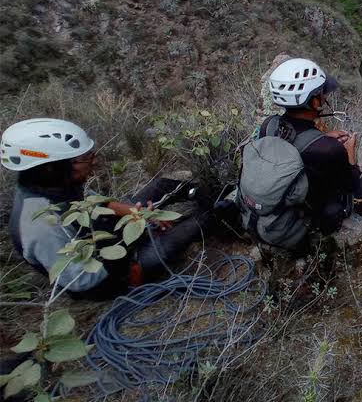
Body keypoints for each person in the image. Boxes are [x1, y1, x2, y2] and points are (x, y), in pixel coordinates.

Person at [2, 118, 218, 300]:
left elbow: (92, 204)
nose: (92, 163)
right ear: (51, 166)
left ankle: (208, 195)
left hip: (103, 236)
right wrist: (132, 266)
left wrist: (135, 213)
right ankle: (222, 213)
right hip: (112, 274)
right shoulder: (40, 227)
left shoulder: (50, 183)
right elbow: (82, 282)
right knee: (195, 225)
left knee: (161, 186)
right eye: (84, 159)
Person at [258, 57, 362, 237]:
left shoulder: (269, 125)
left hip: (279, 205)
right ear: (315, 102)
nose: (325, 96)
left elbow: (297, 144)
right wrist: (349, 154)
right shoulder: (328, 149)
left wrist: (320, 137)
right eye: (322, 92)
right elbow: (352, 185)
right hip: (314, 214)